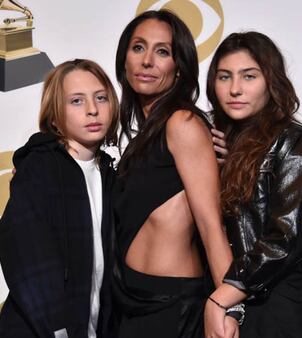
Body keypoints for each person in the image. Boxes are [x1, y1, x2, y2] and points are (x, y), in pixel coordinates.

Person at [111, 10, 237, 338]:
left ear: (179, 67)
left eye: (163, 51)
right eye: (138, 48)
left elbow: (212, 227)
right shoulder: (141, 140)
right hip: (131, 302)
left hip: (173, 307)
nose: (148, 61)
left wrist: (226, 307)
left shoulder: (183, 123)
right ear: (124, 58)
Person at [205, 31, 302, 337]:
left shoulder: (297, 146)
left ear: (271, 82)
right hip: (242, 305)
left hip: (282, 309)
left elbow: (286, 240)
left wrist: (220, 299)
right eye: (224, 77)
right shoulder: (224, 148)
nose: (235, 89)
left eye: (249, 76)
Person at [0, 59, 120, 338]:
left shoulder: (110, 175)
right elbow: (27, 258)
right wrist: (58, 331)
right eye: (76, 101)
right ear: (54, 115)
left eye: (101, 98)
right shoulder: (40, 168)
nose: (92, 109)